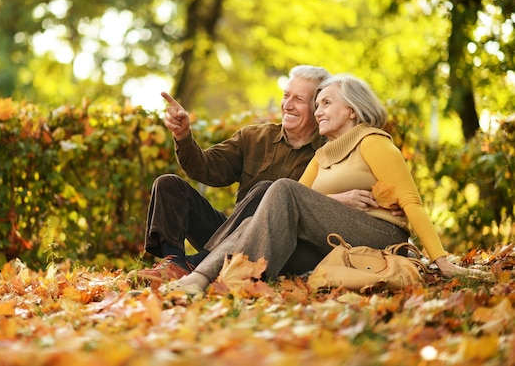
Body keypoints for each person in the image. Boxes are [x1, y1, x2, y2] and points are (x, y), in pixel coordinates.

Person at [162, 73, 482, 295]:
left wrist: (442, 262)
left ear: (353, 110)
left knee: (282, 187)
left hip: (379, 234)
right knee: (269, 211)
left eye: (326, 103)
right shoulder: (322, 155)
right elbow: (291, 202)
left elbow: (411, 201)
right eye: (317, 105)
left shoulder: (373, 142)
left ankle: (202, 275)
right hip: (332, 240)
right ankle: (204, 278)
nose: (318, 111)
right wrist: (339, 200)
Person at [127, 65, 331, 286]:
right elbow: (204, 168)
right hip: (231, 238)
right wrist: (183, 135)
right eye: (286, 95)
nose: (287, 105)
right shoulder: (254, 137)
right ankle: (175, 264)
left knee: (269, 190)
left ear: (317, 107)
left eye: (299, 99)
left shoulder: (330, 151)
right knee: (168, 184)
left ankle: (198, 264)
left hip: (280, 249)